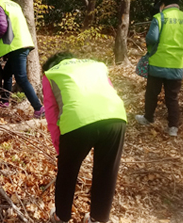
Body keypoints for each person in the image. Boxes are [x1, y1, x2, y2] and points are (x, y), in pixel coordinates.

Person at [42, 52, 127, 223]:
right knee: (106, 171)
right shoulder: (95, 65)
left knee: (67, 171)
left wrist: (60, 149)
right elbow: (109, 90)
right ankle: (98, 218)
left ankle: (61, 217)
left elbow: (51, 113)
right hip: (115, 116)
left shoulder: (50, 74)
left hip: (77, 120)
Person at [135, 0, 183, 137]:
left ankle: (148, 118)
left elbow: (152, 38)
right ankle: (173, 127)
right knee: (172, 97)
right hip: (176, 65)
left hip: (157, 64)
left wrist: (148, 44)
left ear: (163, 4)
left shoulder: (159, 17)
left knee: (152, 93)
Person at [0, 0, 45, 118]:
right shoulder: (12, 4)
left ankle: (39, 108)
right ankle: (4, 101)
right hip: (23, 42)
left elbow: (1, 27)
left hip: (16, 46)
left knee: (21, 78)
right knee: (7, 73)